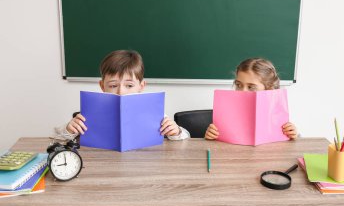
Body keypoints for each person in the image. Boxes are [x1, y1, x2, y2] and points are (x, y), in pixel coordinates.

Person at [55, 50, 190, 141]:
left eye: (129, 86)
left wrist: (176, 132)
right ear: (102, 86)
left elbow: (186, 136)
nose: (121, 92)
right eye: (113, 85)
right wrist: (69, 129)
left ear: (141, 87)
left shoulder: (153, 113)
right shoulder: (90, 113)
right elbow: (57, 136)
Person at [205, 57, 298, 140]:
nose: (243, 91)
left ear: (269, 89)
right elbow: (214, 143)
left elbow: (291, 142)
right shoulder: (225, 112)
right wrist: (210, 135)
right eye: (239, 85)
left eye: (251, 87)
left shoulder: (277, 113)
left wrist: (293, 134)